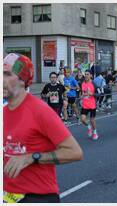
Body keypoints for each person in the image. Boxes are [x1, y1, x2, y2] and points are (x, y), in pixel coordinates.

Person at [3, 53, 83, 203]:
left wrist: (32, 158)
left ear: (23, 80)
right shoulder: (4, 112)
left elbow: (75, 152)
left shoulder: (40, 111)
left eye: (6, 74)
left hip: (38, 196)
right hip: (8, 196)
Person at [80, 70, 99, 140]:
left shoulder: (94, 84)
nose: (86, 76)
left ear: (91, 75)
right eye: (85, 74)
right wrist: (82, 96)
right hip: (85, 104)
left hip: (92, 105)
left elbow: (99, 94)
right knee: (82, 119)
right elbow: (83, 92)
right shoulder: (83, 83)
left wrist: (92, 94)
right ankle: (89, 127)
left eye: (87, 74)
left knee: (92, 120)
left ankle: (95, 132)